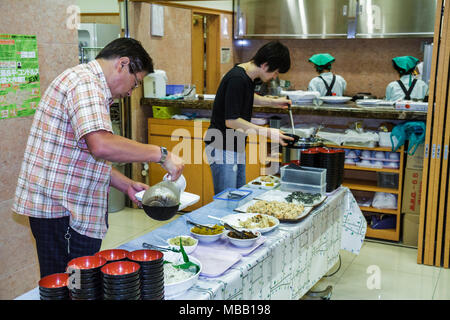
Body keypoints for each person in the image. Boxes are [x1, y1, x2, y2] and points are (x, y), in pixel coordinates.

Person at [12, 38, 184, 278]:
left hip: (67, 208)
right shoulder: (86, 84)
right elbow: (101, 145)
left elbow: (82, 153)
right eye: (136, 83)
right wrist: (160, 154)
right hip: (62, 211)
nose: (130, 93)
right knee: (71, 285)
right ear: (123, 64)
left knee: (76, 284)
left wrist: (125, 184)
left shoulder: (88, 84)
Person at [204, 41, 294, 195]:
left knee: (238, 195)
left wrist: (274, 102)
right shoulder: (237, 78)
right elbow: (231, 121)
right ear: (265, 65)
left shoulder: (247, 77)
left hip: (235, 143)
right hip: (222, 145)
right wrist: (268, 132)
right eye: (276, 72)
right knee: (226, 199)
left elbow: (247, 97)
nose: (274, 77)